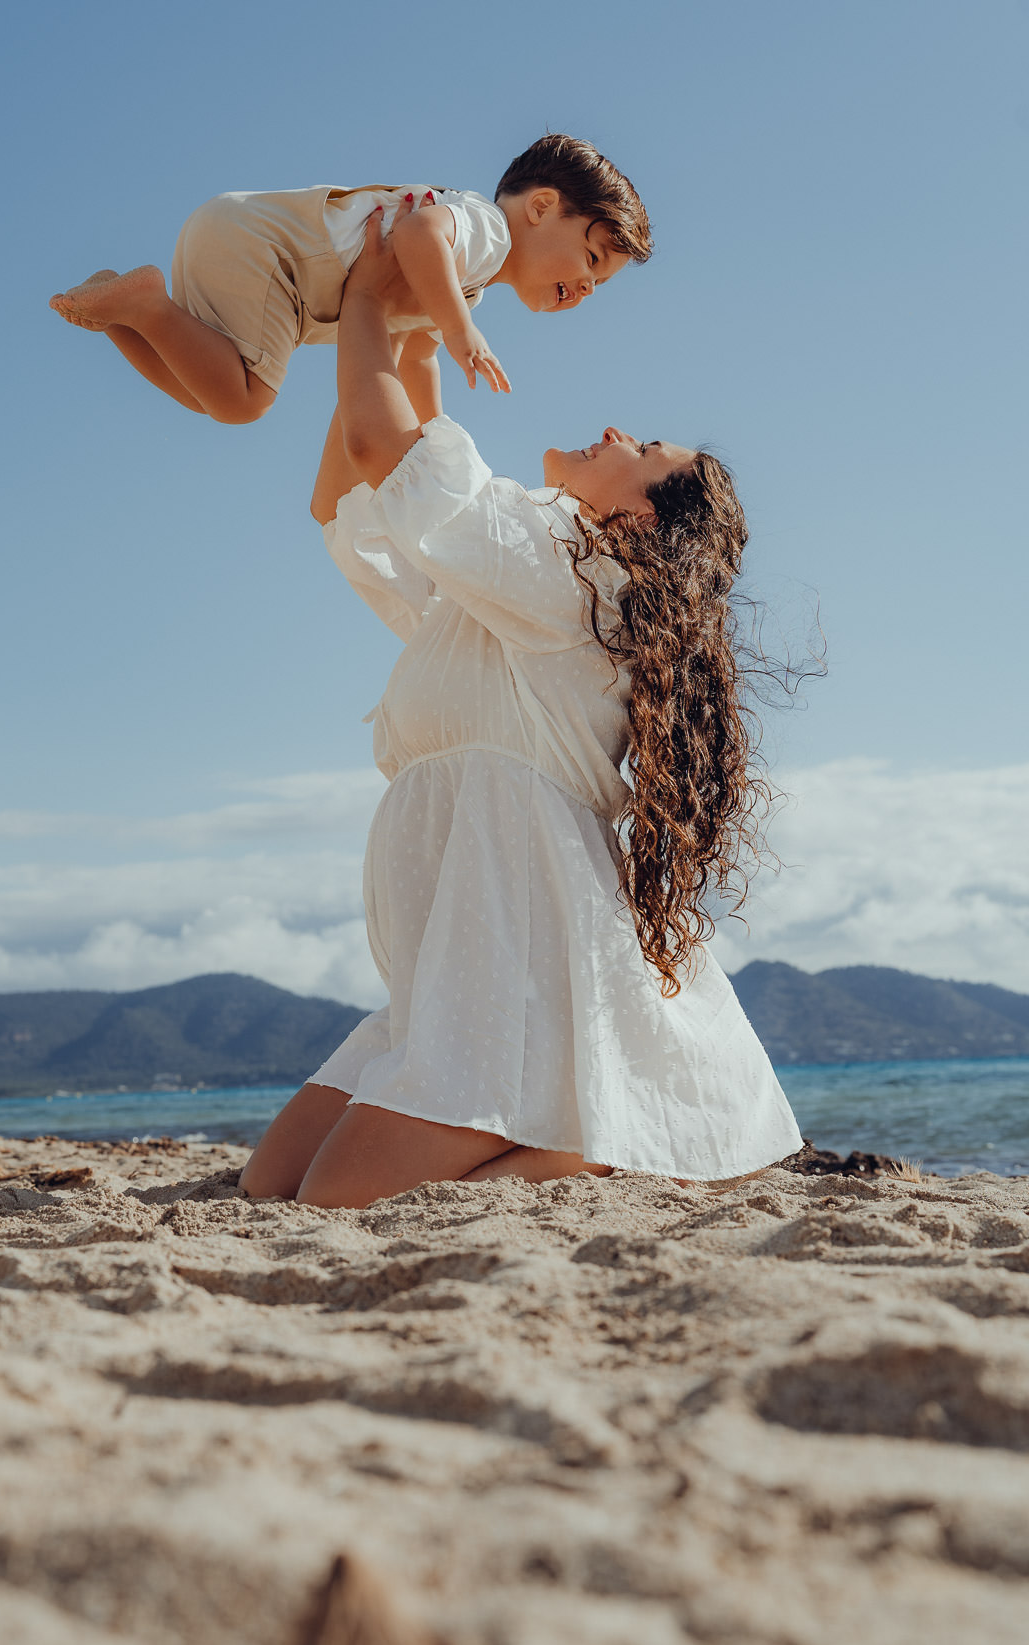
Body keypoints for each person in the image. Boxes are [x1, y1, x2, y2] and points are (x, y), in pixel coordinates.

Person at [238, 205, 802, 1209]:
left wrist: (368, 296)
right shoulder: (537, 575)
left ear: (637, 518)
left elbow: (384, 448)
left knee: (328, 1199)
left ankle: (607, 1145)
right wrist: (406, 331)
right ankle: (589, 1127)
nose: (617, 430)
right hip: (465, 939)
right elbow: (358, 494)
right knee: (269, 1184)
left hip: (512, 943)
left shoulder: (578, 571)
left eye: (647, 447)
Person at [48, 135, 650, 426]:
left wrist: (432, 434)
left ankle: (122, 308)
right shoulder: (487, 230)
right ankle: (149, 302)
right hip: (276, 256)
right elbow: (418, 236)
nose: (590, 287)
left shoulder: (466, 282)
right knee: (244, 402)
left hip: (243, 239)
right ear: (542, 208)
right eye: (593, 259)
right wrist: (463, 330)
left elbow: (416, 360)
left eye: (603, 284)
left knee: (209, 394)